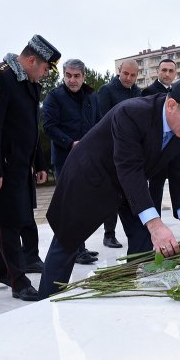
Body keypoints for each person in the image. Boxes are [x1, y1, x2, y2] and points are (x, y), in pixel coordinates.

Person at [39, 77, 180, 298]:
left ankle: (126, 292)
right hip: (91, 178)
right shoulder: (131, 113)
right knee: (66, 243)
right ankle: (43, 303)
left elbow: (179, 175)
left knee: (142, 237)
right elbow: (128, 168)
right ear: (171, 106)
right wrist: (156, 224)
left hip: (128, 183)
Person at [0, 35, 60, 301]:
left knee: (4, 219)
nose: (45, 74)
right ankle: (18, 282)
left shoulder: (28, 82)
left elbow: (30, 127)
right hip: (1, 167)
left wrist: (39, 162)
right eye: (44, 68)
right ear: (31, 60)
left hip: (19, 166)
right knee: (6, 222)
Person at [42, 59, 102, 265]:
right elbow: (49, 126)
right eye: (68, 75)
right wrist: (70, 143)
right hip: (64, 159)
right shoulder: (54, 96)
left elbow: (99, 123)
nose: (72, 80)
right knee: (69, 205)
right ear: (64, 76)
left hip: (88, 160)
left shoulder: (91, 97)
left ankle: (80, 248)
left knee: (83, 204)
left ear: (84, 76)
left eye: (76, 76)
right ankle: (71, 250)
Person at [142, 59, 180, 214]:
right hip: (158, 148)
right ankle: (154, 220)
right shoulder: (148, 92)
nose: (167, 74)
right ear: (158, 71)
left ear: (175, 73)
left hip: (177, 145)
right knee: (156, 186)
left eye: (170, 71)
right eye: (164, 70)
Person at [97, 59, 142, 248]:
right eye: (126, 74)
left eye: (133, 75)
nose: (129, 78)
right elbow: (102, 120)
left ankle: (136, 233)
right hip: (111, 149)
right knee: (112, 194)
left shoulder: (138, 93)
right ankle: (109, 234)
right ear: (119, 71)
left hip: (133, 150)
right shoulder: (106, 91)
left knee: (131, 191)